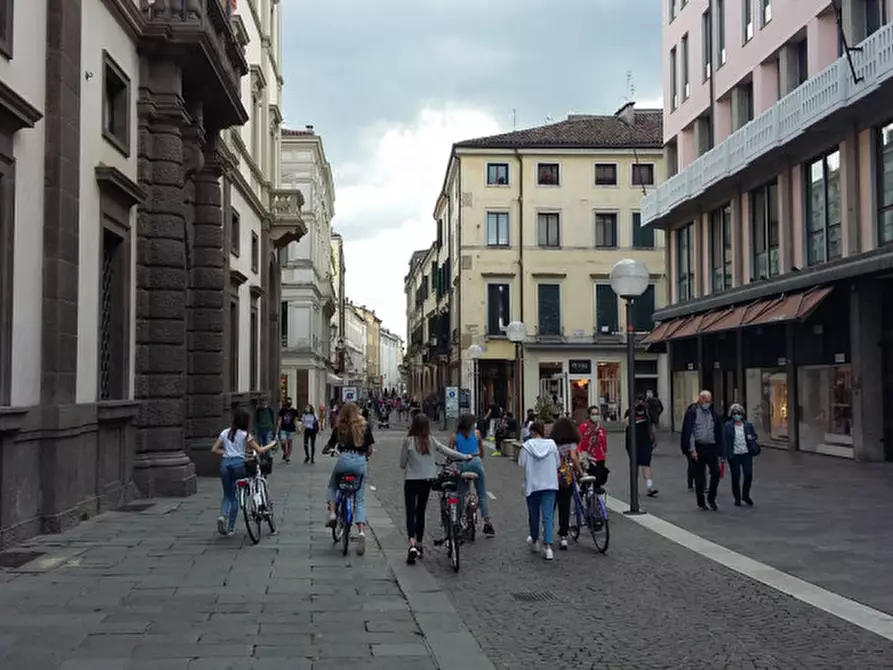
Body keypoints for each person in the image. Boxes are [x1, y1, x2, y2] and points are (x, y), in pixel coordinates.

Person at [400, 413, 471, 564]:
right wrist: (464, 456)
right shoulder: (430, 440)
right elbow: (446, 450)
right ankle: (420, 543)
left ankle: (412, 544)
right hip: (427, 480)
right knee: (420, 512)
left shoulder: (408, 441)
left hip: (411, 480)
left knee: (410, 512)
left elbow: (402, 464)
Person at [211, 409, 277, 536]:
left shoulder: (225, 432)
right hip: (239, 466)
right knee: (236, 495)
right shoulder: (245, 435)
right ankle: (230, 528)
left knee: (227, 495)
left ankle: (222, 515)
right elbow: (260, 450)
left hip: (225, 464)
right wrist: (272, 444)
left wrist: (225, 453)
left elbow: (214, 449)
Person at [325, 402, 375, 555]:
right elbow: (370, 449)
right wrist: (365, 456)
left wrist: (327, 449)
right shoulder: (364, 426)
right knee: (359, 499)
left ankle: (333, 513)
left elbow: (330, 445)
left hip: (344, 459)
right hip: (360, 462)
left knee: (333, 486)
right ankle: (361, 532)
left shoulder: (340, 426)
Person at [519, 421, 560, 560]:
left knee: (534, 515)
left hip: (533, 485)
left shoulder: (526, 446)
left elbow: (522, 463)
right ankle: (548, 547)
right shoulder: (552, 445)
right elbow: (558, 463)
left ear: (532, 432)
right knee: (548, 516)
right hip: (550, 484)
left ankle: (535, 541)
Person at [450, 414, 496, 537]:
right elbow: (481, 452)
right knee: (482, 493)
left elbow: (451, 453)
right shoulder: (477, 433)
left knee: (460, 493)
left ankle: (459, 520)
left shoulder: (455, 435)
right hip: (476, 462)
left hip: (461, 464)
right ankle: (487, 522)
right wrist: (477, 458)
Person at [681, 390, 724, 511]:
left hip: (711, 447)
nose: (708, 403)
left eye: (710, 401)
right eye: (706, 401)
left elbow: (717, 431)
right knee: (699, 476)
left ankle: (711, 498)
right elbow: (690, 433)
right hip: (698, 447)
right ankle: (701, 501)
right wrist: (692, 450)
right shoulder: (693, 413)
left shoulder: (713, 414)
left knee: (715, 473)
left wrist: (720, 450)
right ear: (700, 400)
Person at [551, 417, 583, 551]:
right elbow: (574, 457)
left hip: (553, 477)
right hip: (566, 478)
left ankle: (547, 531)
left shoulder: (552, 442)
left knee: (551, 506)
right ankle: (563, 536)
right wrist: (580, 471)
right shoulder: (572, 443)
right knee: (565, 507)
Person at [723, 403, 759, 506]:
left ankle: (745, 495)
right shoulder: (728, 426)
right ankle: (737, 497)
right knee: (736, 476)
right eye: (734, 413)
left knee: (748, 474)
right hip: (734, 454)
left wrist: (751, 437)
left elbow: (755, 436)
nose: (737, 415)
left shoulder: (748, 425)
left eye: (739, 413)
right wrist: (723, 456)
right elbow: (725, 440)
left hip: (746, 453)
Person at [624, 395, 659, 497]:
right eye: (638, 402)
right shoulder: (630, 411)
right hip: (632, 442)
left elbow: (652, 427)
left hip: (645, 441)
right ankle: (634, 487)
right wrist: (632, 413)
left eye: (641, 402)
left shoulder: (648, 413)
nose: (640, 404)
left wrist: (654, 439)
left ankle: (649, 487)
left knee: (646, 464)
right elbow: (625, 423)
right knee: (634, 464)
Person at [578, 406, 609, 487]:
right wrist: (581, 454)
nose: (595, 416)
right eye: (593, 414)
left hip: (599, 457)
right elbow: (579, 441)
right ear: (589, 415)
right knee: (586, 480)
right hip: (587, 457)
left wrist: (604, 453)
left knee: (598, 481)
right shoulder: (583, 427)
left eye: (597, 414)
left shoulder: (601, 428)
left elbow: (604, 443)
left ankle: (596, 495)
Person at [276, 397, 297, 463]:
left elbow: (295, 420)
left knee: (289, 443)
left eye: (289, 402)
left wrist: (298, 428)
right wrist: (277, 429)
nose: (289, 403)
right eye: (287, 401)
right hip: (283, 429)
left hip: (291, 429)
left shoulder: (294, 411)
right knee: (283, 442)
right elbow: (280, 420)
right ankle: (285, 452)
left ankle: (287, 457)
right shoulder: (282, 410)